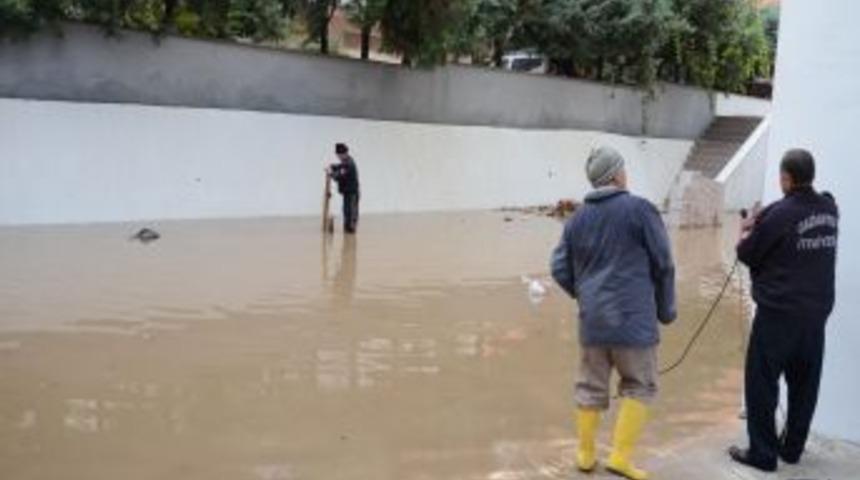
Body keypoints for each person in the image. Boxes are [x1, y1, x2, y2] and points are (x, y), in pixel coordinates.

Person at [551, 145, 676, 480]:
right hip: (633, 322)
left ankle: (586, 455)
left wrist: (584, 294)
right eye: (623, 168)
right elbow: (663, 263)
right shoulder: (641, 210)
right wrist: (666, 310)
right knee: (639, 385)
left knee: (590, 386)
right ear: (616, 174)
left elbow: (558, 266)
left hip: (593, 322)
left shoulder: (576, 219)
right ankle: (620, 458)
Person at [729, 149, 839, 472]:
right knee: (805, 386)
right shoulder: (830, 211)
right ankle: (791, 450)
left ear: (786, 178)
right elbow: (818, 204)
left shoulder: (778, 215)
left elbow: (747, 253)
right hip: (815, 316)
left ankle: (763, 454)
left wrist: (747, 228)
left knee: (762, 383)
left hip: (778, 316)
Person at [328, 143, 360, 234]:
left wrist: (331, 173)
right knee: (346, 211)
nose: (338, 157)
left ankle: (350, 233)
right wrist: (333, 166)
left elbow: (338, 177)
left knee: (350, 212)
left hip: (351, 193)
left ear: (343, 154)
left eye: (338, 155)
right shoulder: (347, 161)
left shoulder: (348, 164)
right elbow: (340, 166)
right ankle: (348, 231)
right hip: (348, 192)